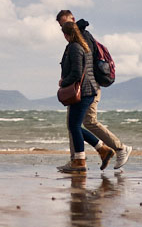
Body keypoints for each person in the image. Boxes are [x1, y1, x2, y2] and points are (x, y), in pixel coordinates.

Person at [57, 10, 133, 170]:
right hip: (84, 88)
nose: (64, 26)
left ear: (73, 20)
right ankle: (80, 158)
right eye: (62, 25)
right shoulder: (77, 41)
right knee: (75, 124)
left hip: (86, 89)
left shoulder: (80, 40)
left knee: (82, 123)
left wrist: (66, 82)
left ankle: (116, 149)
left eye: (66, 23)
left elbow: (81, 68)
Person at [58, 18, 101, 173]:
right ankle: (101, 149)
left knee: (74, 126)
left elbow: (77, 72)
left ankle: (80, 161)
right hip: (87, 91)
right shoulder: (81, 45)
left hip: (84, 92)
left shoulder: (75, 47)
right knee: (74, 126)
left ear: (67, 34)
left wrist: (63, 82)